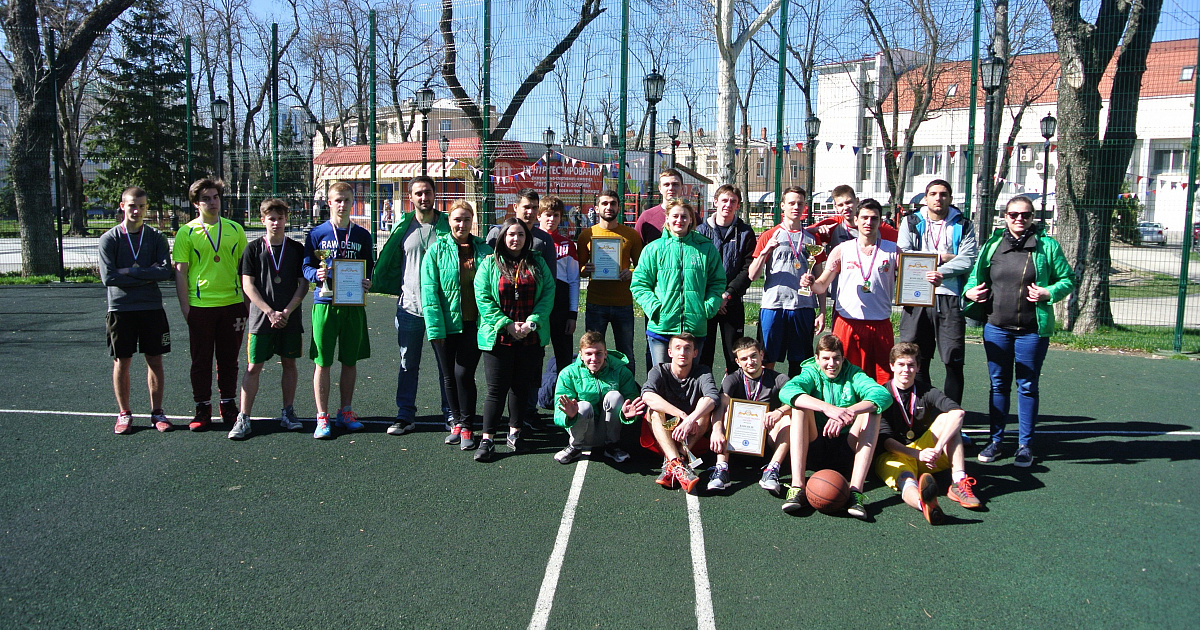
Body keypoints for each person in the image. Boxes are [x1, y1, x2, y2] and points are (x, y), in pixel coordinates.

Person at [964, 196, 1075, 467]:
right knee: (998, 385)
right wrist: (969, 292)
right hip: (996, 328)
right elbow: (974, 278)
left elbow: (1067, 279)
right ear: (1005, 217)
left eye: (1025, 215)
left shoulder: (1047, 246)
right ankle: (996, 441)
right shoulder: (992, 245)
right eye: (1013, 214)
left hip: (1031, 331)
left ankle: (1025, 445)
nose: (1019, 219)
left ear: (1033, 217)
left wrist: (1049, 292)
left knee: (1027, 386)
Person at [778, 333, 889, 519]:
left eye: (836, 358)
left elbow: (882, 394)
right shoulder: (811, 372)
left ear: (843, 358)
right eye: (826, 359)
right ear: (817, 359)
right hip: (816, 445)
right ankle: (797, 488)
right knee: (799, 406)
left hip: (847, 446)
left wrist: (846, 413)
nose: (832, 364)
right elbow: (787, 391)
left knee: (873, 411)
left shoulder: (853, 374)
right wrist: (828, 409)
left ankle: (856, 493)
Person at [373, 175, 450, 436]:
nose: (423, 197)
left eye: (427, 192)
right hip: (409, 308)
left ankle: (451, 413)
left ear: (435, 194)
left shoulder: (447, 225)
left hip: (441, 310)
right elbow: (391, 262)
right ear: (410, 197)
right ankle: (405, 414)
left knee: (446, 366)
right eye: (418, 193)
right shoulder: (403, 226)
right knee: (408, 364)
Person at [473, 218, 554, 462]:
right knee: (496, 390)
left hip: (529, 336)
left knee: (520, 387)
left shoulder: (537, 262)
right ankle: (487, 439)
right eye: (511, 234)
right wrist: (506, 324)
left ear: (526, 238)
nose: (515, 239)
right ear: (502, 237)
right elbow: (483, 298)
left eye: (520, 234)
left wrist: (532, 323)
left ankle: (515, 433)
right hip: (499, 337)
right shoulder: (490, 263)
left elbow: (548, 293)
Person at [875, 343, 982, 525]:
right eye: (901, 364)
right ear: (892, 366)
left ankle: (958, 482)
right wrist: (917, 454)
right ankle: (924, 503)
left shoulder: (926, 390)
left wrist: (938, 449)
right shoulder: (883, 394)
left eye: (911, 365)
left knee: (948, 419)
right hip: (894, 454)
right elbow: (886, 441)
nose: (906, 370)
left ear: (918, 367)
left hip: (926, 453)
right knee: (906, 481)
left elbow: (959, 413)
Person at [228, 199, 309, 439]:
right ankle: (244, 417)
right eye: (271, 218)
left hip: (289, 318)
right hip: (261, 319)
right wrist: (269, 311)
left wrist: (286, 311)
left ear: (286, 220)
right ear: (263, 220)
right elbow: (247, 285)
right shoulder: (252, 249)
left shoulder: (296, 249)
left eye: (280, 218)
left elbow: (303, 284)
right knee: (253, 367)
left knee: (289, 363)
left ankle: (288, 412)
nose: (276, 223)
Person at [172, 178, 248, 431]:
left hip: (232, 305)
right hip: (201, 307)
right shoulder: (186, 232)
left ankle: (228, 405)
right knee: (201, 361)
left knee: (229, 360)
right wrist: (186, 308)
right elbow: (181, 272)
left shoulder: (235, 229)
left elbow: (245, 270)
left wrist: (247, 304)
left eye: (215, 197)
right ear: (196, 203)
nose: (212, 202)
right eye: (206, 198)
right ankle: (202, 408)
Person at [99, 186, 174, 434]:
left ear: (146, 207)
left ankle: (157, 412)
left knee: (155, 360)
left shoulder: (156, 237)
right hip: (120, 308)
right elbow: (109, 278)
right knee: (122, 361)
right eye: (132, 205)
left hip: (151, 307)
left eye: (141, 206)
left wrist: (130, 271)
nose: (137, 210)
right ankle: (124, 413)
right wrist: (146, 274)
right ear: (123, 206)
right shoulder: (109, 239)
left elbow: (165, 272)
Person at [303, 181, 375, 439]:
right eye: (338, 200)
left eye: (347, 200)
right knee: (322, 361)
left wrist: (368, 281)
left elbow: (369, 265)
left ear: (353, 202)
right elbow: (306, 266)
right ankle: (322, 416)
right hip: (325, 303)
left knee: (349, 360)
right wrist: (316, 274)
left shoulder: (362, 235)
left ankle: (346, 411)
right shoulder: (317, 233)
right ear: (329, 202)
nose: (343, 205)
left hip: (352, 304)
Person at [897, 179, 977, 404]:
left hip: (949, 296)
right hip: (916, 296)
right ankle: (921, 411)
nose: (938, 198)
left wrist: (940, 271)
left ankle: (951, 413)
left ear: (950, 198)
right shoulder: (911, 221)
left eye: (943, 194)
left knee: (953, 360)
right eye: (933, 194)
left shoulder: (963, 224)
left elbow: (968, 259)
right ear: (926, 198)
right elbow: (904, 254)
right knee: (915, 358)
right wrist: (941, 257)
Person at [422, 200, 491, 451]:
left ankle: (468, 425)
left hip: (474, 324)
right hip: (445, 325)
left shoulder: (484, 250)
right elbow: (429, 293)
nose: (462, 224)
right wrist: (435, 329)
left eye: (466, 219)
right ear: (449, 221)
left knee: (464, 374)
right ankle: (458, 424)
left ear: (473, 221)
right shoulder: (435, 250)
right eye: (457, 219)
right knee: (448, 376)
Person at [810, 199, 898, 384]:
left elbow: (911, 280)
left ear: (880, 221)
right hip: (848, 323)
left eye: (874, 218)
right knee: (844, 378)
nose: (869, 222)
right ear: (856, 220)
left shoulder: (893, 251)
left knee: (882, 380)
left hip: (880, 324)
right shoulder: (842, 250)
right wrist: (810, 283)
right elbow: (821, 285)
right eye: (864, 218)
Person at [630, 198, 725, 366]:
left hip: (694, 328)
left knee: (690, 379)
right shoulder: (654, 248)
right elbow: (639, 284)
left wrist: (707, 307)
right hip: (662, 327)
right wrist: (655, 308)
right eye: (675, 216)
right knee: (662, 376)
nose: (679, 220)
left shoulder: (706, 249)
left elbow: (717, 282)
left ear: (691, 220)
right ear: (667, 218)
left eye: (684, 216)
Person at [748, 186, 826, 378]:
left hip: (803, 307)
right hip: (773, 307)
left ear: (805, 206)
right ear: (782, 206)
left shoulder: (812, 239)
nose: (796, 207)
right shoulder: (769, 235)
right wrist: (765, 251)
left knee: (800, 364)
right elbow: (752, 275)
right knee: (767, 360)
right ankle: (766, 395)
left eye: (800, 203)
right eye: (791, 203)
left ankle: (795, 397)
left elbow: (821, 279)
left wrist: (823, 311)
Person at [708, 338, 792, 494]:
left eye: (753, 356)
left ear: (761, 355)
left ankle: (772, 470)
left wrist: (779, 411)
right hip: (736, 443)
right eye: (744, 359)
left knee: (789, 418)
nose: (750, 362)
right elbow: (720, 405)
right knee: (727, 410)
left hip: (766, 440)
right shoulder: (733, 379)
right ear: (738, 362)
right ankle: (722, 469)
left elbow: (796, 399)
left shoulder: (778, 378)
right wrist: (717, 430)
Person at [640, 333, 721, 494]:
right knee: (654, 411)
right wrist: (682, 415)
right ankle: (677, 462)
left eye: (687, 348)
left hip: (690, 434)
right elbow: (647, 395)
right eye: (678, 348)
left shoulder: (703, 371)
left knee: (704, 408)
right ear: (670, 352)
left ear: (695, 353)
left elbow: (713, 397)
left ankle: (680, 458)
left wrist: (690, 420)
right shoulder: (659, 370)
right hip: (663, 432)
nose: (682, 353)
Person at [552, 331, 645, 464]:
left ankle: (612, 446)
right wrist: (569, 416)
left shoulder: (620, 371)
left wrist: (627, 415)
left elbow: (633, 400)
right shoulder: (568, 373)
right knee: (583, 406)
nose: (594, 358)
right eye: (589, 354)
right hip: (583, 431)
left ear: (606, 353)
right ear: (581, 355)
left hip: (608, 430)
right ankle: (575, 447)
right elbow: (559, 409)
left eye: (598, 353)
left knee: (615, 396)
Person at [578, 189, 643, 375]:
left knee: (626, 352)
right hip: (595, 303)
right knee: (592, 351)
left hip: (623, 304)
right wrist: (586, 269)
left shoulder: (631, 235)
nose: (609, 207)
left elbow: (641, 268)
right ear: (597, 208)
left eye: (613, 203)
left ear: (619, 208)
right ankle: (593, 386)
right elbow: (579, 270)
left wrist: (630, 272)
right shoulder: (586, 235)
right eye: (604, 203)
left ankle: (628, 388)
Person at [696, 184, 756, 374]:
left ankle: (734, 389)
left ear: (738, 205)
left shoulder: (746, 232)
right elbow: (696, 269)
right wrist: (713, 298)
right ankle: (704, 390)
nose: (728, 205)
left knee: (735, 355)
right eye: (724, 200)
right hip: (706, 302)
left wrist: (727, 295)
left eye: (733, 201)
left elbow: (748, 269)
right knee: (704, 354)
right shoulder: (700, 231)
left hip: (732, 301)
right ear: (715, 202)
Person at [536, 195, 580, 376]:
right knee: (534, 355)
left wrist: (572, 314)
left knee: (564, 356)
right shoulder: (529, 241)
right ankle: (534, 390)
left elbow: (574, 281)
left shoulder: (567, 244)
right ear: (539, 216)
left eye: (556, 215)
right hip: (537, 306)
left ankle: (564, 389)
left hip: (560, 308)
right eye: (547, 214)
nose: (551, 219)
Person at [488, 189, 556, 273]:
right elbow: (487, 267)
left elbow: (550, 275)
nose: (530, 212)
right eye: (526, 207)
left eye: (534, 207)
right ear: (515, 207)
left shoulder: (545, 239)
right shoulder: (497, 233)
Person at [633, 168, 684, 246]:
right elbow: (636, 246)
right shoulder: (646, 217)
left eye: (675, 184)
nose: (671, 188)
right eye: (666, 185)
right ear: (659, 189)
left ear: (682, 188)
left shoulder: (691, 216)